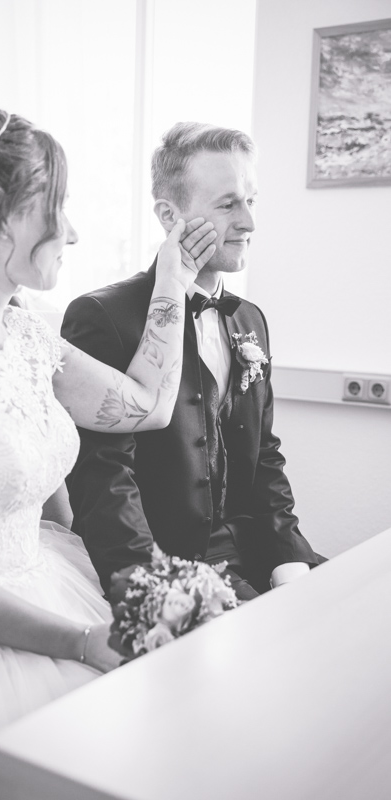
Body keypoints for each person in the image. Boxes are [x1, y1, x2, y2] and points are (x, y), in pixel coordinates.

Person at [0, 103, 216, 800]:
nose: (73, 231)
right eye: (59, 207)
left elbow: (147, 404)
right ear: (1, 211)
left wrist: (171, 274)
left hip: (47, 581)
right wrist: (81, 641)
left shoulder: (24, 334)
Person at [62, 121, 324, 601]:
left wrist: (290, 556)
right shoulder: (102, 317)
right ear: (169, 214)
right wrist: (159, 594)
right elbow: (103, 481)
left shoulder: (250, 319)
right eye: (228, 205)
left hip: (253, 552)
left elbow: (264, 456)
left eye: (251, 201)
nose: (248, 223)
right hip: (168, 568)